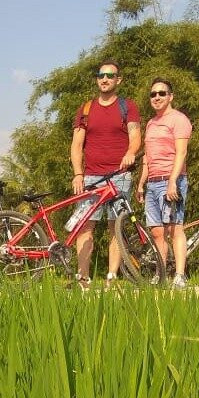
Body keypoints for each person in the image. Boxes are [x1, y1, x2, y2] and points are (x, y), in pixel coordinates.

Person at [69, 59, 141, 289]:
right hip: (90, 178)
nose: (105, 79)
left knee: (115, 228)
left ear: (118, 80)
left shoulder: (127, 106)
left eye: (110, 75)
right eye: (101, 75)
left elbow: (136, 136)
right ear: (97, 79)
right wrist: (78, 174)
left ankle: (111, 277)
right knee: (85, 227)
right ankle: (83, 278)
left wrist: (130, 153)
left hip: (119, 176)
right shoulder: (86, 108)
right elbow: (76, 144)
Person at [136, 78, 192, 288]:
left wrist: (172, 182)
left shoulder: (179, 119)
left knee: (175, 228)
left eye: (161, 93)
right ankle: (161, 275)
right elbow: (147, 157)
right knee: (157, 232)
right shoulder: (151, 123)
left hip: (171, 179)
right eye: (153, 94)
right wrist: (141, 183)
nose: (157, 97)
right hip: (152, 183)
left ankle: (179, 275)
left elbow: (181, 153)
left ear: (170, 96)